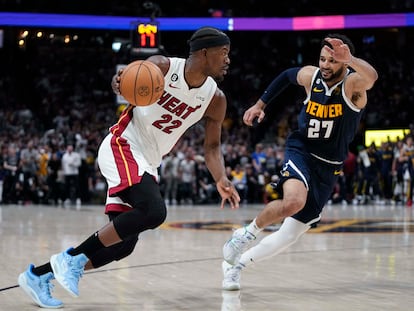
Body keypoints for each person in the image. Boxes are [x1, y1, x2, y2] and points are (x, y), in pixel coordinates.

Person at [18, 26, 240, 308]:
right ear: (205, 52)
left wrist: (221, 178)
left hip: (148, 161)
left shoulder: (215, 99)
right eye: (224, 52)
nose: (228, 59)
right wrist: (118, 81)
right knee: (154, 211)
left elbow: (212, 148)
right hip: (123, 145)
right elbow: (127, 79)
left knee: (123, 244)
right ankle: (69, 260)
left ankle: (39, 276)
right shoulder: (162, 66)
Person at [221, 33, 378, 291]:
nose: (326, 65)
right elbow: (285, 76)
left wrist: (351, 59)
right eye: (323, 59)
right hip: (302, 149)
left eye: (333, 61)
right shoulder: (311, 76)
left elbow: (371, 77)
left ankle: (235, 267)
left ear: (345, 63)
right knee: (294, 201)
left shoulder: (353, 87)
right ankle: (245, 235)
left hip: (329, 165)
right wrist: (261, 104)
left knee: (289, 235)